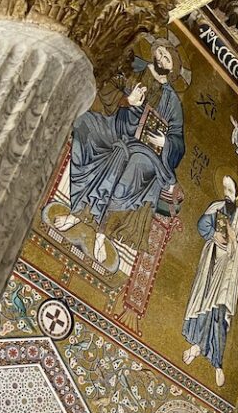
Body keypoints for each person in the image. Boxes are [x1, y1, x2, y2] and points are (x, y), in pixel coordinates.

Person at [53, 42, 185, 263]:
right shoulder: (136, 68)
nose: (161, 60)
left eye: (167, 59)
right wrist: (127, 101)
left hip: (146, 151)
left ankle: (100, 231)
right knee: (86, 125)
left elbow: (178, 138)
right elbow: (107, 84)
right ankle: (78, 213)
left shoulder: (172, 101)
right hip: (116, 127)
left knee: (129, 162)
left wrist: (166, 142)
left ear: (172, 69)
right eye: (160, 54)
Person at [182, 176, 238, 387]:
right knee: (204, 305)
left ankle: (216, 362)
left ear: (237, 196)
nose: (227, 194)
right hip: (211, 264)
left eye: (231, 190)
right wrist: (214, 235)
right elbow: (203, 224)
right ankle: (198, 346)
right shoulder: (217, 207)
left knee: (219, 310)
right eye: (225, 190)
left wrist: (232, 243)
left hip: (228, 270)